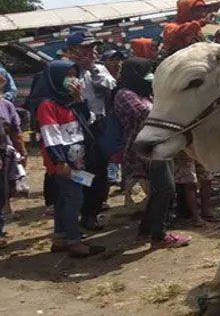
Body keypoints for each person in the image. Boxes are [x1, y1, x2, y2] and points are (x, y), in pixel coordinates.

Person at [113, 57, 190, 248]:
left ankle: (147, 230)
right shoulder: (124, 94)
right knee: (165, 190)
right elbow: (144, 114)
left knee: (161, 191)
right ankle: (159, 235)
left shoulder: (144, 93)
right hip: (144, 150)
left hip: (161, 146)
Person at [35, 60, 105, 257]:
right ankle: (74, 242)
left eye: (74, 74)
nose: (72, 79)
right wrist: (60, 161)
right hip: (64, 161)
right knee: (74, 198)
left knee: (63, 199)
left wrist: (79, 99)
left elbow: (87, 120)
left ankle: (60, 237)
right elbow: (51, 135)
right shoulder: (47, 105)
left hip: (77, 158)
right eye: (67, 75)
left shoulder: (68, 101)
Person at [64, 28, 116, 230]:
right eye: (85, 48)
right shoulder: (66, 70)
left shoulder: (99, 69)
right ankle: (76, 212)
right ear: (72, 50)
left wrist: (93, 70)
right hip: (76, 127)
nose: (91, 52)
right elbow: (67, 95)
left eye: (92, 47)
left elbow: (110, 87)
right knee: (78, 170)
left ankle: (91, 212)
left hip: (99, 125)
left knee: (100, 170)